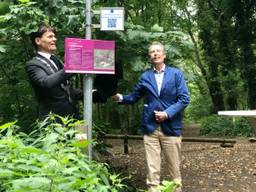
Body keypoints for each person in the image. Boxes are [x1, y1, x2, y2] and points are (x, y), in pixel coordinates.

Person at [112, 41, 190, 192]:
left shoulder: (176, 74)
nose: (155, 53)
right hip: (151, 128)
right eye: (152, 52)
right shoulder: (145, 76)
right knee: (152, 169)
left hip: (171, 128)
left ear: (164, 55)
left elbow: (184, 99)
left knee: (174, 169)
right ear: (150, 57)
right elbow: (134, 96)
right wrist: (120, 97)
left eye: (158, 51)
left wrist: (167, 113)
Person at [25, 23, 82, 121]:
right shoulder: (33, 64)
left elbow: (66, 90)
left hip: (72, 119)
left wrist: (95, 93)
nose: (54, 39)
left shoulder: (56, 60)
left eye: (54, 36)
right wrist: (71, 68)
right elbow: (45, 82)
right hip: (53, 123)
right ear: (38, 41)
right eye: (50, 37)